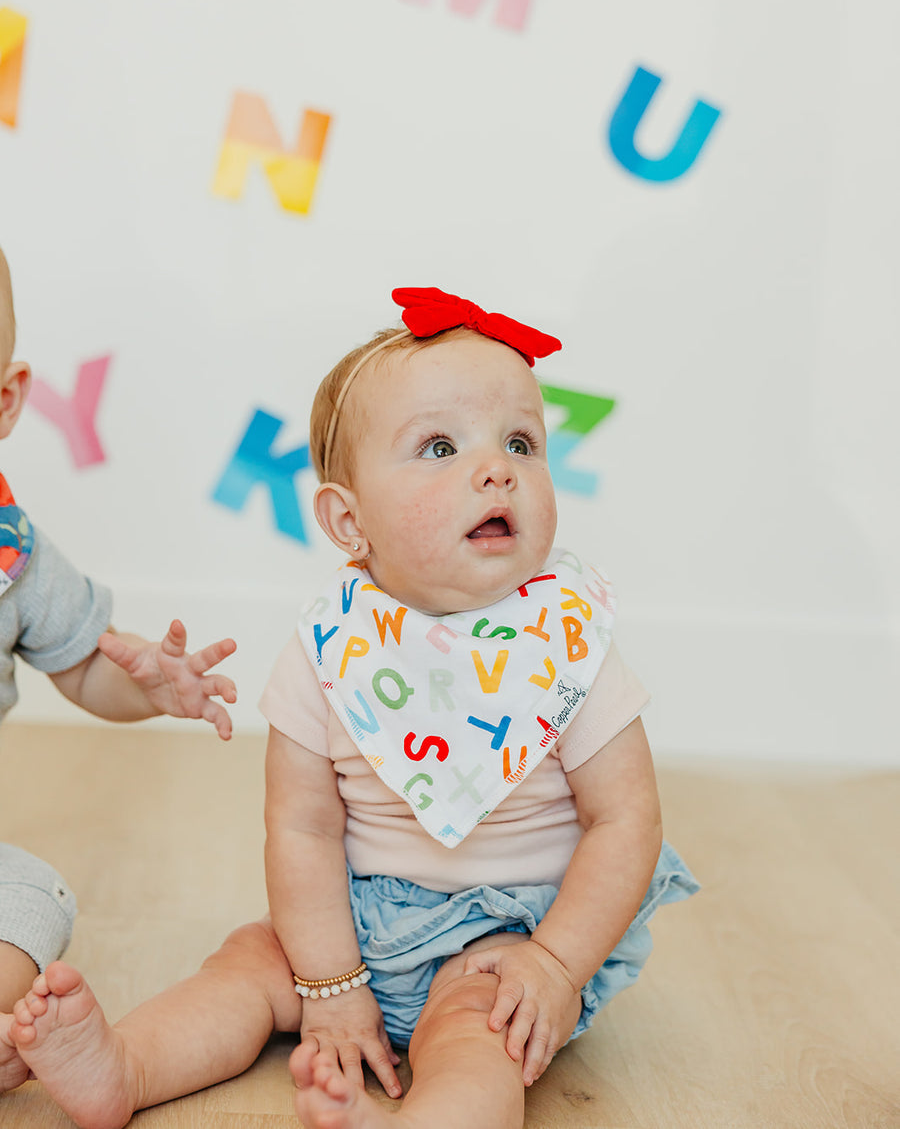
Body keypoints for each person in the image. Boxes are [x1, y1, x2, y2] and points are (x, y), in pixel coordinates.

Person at [9, 286, 698, 1129]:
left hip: (506, 942)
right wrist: (330, 986)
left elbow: (627, 821)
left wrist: (555, 965)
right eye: (440, 445)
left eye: (521, 441)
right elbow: (303, 830)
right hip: (353, 921)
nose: (497, 467)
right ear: (348, 519)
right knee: (246, 964)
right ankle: (125, 1066)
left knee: (480, 1037)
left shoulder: (569, 647)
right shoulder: (333, 651)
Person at [0, 246, 238, 1093]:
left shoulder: (14, 557)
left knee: (35, 899)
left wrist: (148, 687)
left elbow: (80, 669)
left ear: (5, 400)